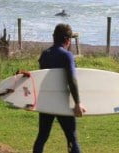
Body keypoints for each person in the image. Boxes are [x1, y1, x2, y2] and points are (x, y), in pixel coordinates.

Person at [33, 24, 86, 153]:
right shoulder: (67, 55)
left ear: (54, 38)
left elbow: (42, 78)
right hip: (63, 102)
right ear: (67, 40)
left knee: (42, 136)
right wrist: (78, 103)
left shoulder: (45, 54)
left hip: (46, 101)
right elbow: (71, 80)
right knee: (71, 138)